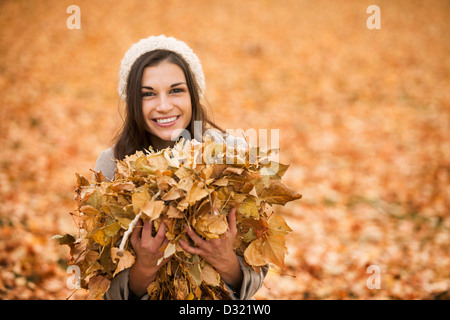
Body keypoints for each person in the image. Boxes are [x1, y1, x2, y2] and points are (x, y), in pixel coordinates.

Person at [94, 35, 267, 300]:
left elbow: (257, 271)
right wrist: (144, 269)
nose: (164, 106)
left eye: (176, 90)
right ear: (132, 101)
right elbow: (100, 287)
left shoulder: (231, 155)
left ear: (193, 94)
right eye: (148, 94)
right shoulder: (112, 165)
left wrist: (226, 261)